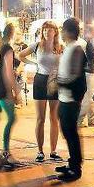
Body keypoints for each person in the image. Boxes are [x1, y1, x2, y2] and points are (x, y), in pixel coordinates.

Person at [17, 21, 63, 162]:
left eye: (49, 30)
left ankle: (54, 150)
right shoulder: (37, 46)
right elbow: (21, 55)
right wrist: (34, 63)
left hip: (55, 81)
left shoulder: (61, 47)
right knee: (40, 118)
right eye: (44, 30)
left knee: (54, 118)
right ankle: (40, 150)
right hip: (41, 80)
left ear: (55, 32)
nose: (46, 33)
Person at [55, 18, 88, 181]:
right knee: (67, 131)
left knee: (71, 132)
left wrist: (59, 83)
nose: (61, 33)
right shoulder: (68, 48)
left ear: (68, 32)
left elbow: (76, 76)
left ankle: (76, 167)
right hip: (64, 97)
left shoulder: (76, 49)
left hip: (71, 99)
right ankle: (72, 162)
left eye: (62, 30)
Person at [0, 23, 20, 168]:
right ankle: (6, 152)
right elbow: (8, 72)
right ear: (12, 33)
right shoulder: (8, 49)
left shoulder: (0, 47)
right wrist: (15, 91)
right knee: (11, 118)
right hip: (4, 90)